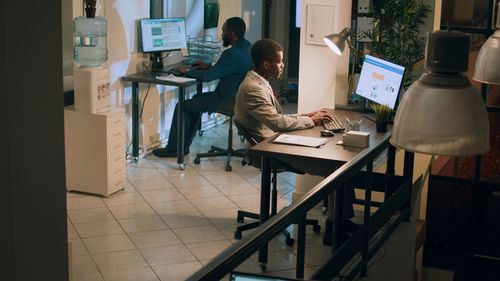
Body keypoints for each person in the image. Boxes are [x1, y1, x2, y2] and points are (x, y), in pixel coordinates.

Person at [234, 39, 358, 245]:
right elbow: (277, 123)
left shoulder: (258, 81)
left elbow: (276, 118)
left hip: (275, 139)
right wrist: (312, 120)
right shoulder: (252, 88)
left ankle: (341, 222)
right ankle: (334, 230)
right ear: (267, 64)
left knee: (342, 163)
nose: (283, 65)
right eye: (279, 61)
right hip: (267, 148)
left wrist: (308, 115)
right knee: (337, 167)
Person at [153, 17, 253, 157]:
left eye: (224, 31)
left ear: (232, 34)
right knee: (195, 99)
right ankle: (183, 146)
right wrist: (211, 66)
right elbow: (233, 68)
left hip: (227, 101)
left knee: (182, 106)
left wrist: (187, 71)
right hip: (241, 99)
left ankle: (174, 149)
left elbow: (207, 77)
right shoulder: (248, 48)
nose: (222, 33)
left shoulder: (230, 54)